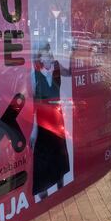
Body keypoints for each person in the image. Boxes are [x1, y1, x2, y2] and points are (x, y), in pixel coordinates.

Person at [32, 43, 71, 201]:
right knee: (43, 163)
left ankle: (61, 192)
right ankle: (44, 199)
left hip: (57, 119)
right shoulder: (35, 76)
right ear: (40, 58)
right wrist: (33, 130)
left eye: (49, 54)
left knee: (59, 157)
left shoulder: (56, 73)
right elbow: (32, 105)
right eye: (44, 55)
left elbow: (70, 72)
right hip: (43, 123)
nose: (47, 57)